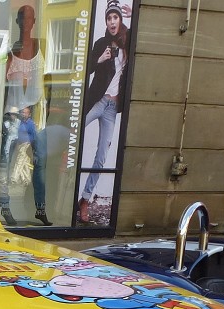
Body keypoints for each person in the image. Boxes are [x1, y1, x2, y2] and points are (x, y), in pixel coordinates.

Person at [78, 0, 131, 225]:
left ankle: (85, 200)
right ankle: (64, 191)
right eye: (109, 18)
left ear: (120, 20)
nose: (112, 22)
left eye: (115, 18)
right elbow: (86, 68)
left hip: (112, 107)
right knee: (76, 135)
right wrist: (99, 59)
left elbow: (140, 39)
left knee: (101, 157)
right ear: (106, 21)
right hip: (97, 101)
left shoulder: (126, 42)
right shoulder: (101, 43)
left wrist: (131, 16)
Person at [0, 4, 46, 225]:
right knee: (5, 162)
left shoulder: (37, 50)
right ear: (17, 22)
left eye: (29, 19)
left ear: (34, 22)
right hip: (13, 115)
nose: (26, 23)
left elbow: (40, 86)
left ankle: (40, 208)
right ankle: (5, 206)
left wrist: (36, 112)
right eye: (22, 19)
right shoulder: (11, 52)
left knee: (40, 161)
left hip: (32, 115)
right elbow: (2, 87)